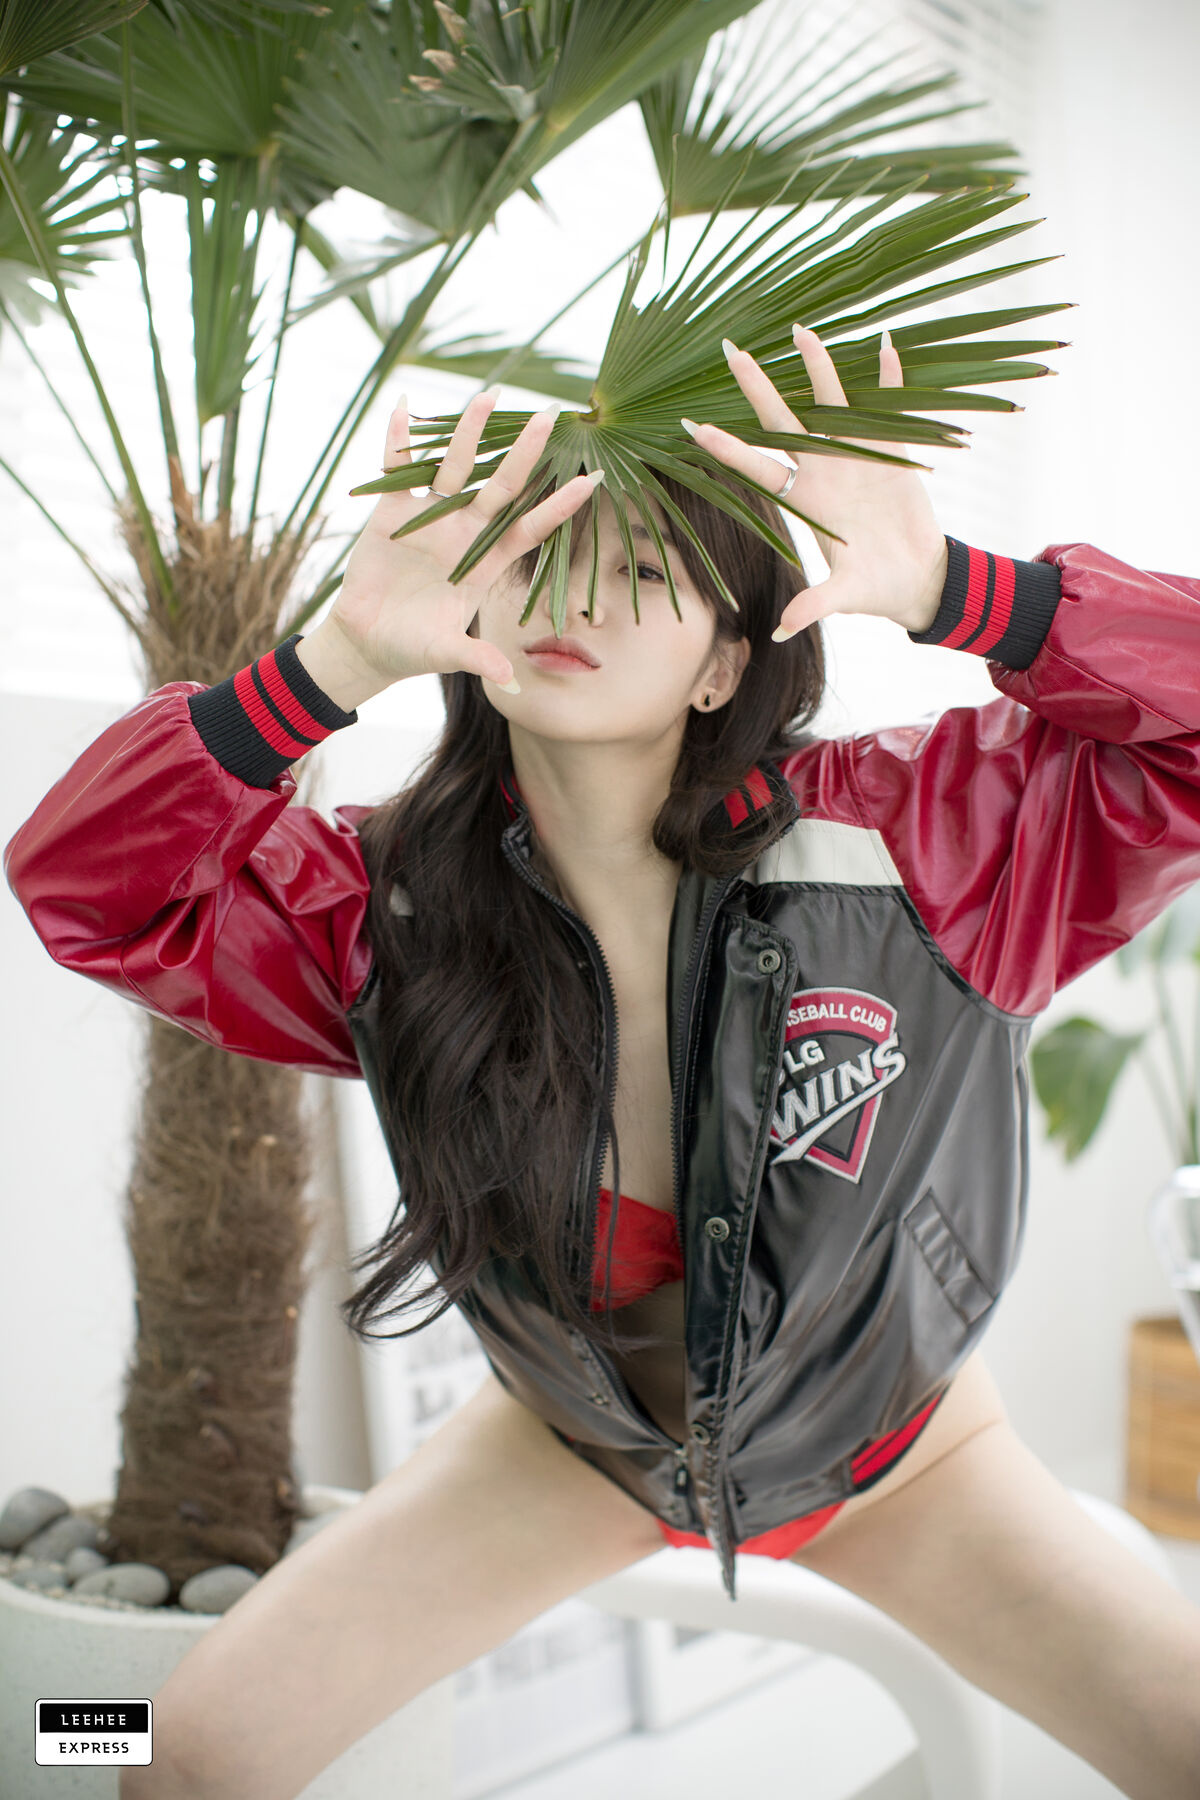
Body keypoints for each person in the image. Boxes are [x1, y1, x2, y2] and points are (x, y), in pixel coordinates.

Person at [8, 326, 1200, 1800]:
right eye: (540, 558)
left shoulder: (922, 849)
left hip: (903, 1455)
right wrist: (332, 663)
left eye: (641, 571)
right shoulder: (389, 913)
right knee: (174, 1756)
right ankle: (34, 1735)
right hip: (573, 1450)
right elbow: (85, 885)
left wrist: (968, 592)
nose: (576, 601)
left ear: (725, 664)